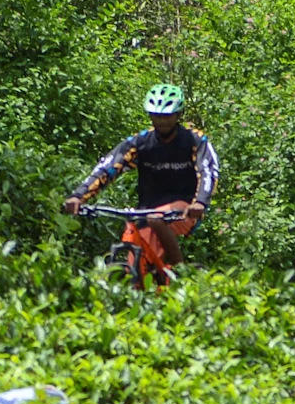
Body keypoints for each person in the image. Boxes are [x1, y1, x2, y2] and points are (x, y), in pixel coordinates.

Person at [67, 85, 219, 284]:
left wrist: (200, 202)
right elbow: (108, 168)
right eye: (156, 116)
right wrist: (79, 196)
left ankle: (183, 276)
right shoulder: (141, 142)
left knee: (156, 218)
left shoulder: (194, 140)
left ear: (178, 115)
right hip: (145, 211)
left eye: (167, 116)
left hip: (184, 210)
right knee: (136, 268)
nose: (161, 121)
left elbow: (208, 170)